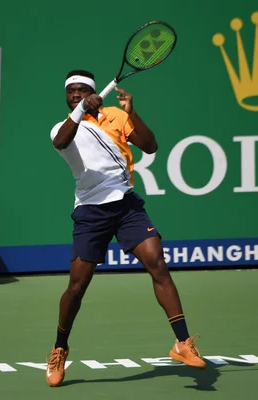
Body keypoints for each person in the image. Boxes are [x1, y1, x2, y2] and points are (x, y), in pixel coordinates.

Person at [45, 70, 206, 387]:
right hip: (91, 212)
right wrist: (81, 111)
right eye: (71, 91)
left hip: (126, 206)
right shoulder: (64, 127)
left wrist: (133, 114)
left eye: (82, 90)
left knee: (157, 264)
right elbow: (61, 142)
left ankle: (183, 343)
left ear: (93, 92)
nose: (76, 94)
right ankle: (60, 347)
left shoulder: (116, 116)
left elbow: (150, 145)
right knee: (77, 286)